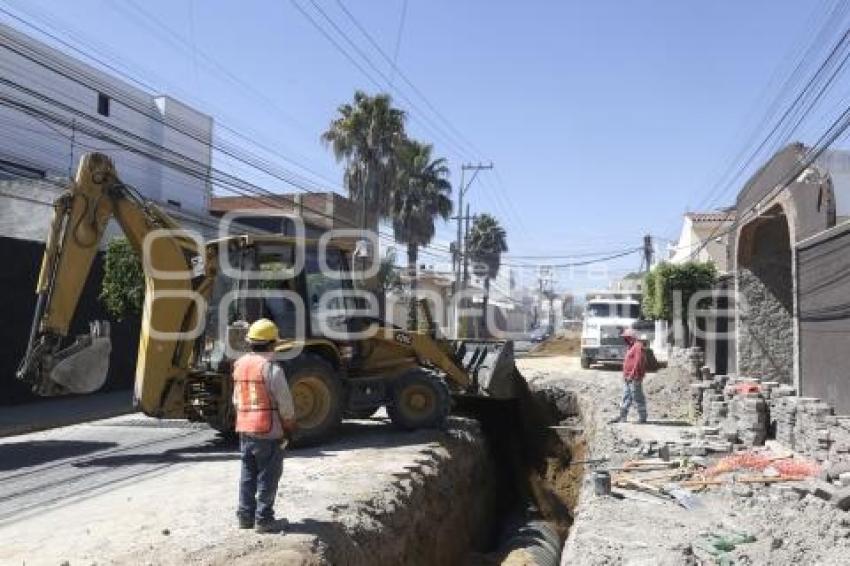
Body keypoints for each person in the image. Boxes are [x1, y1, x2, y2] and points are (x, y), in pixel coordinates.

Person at [233, 318, 297, 533]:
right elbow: (286, 406)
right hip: (268, 431)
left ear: (250, 342)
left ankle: (245, 517)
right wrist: (289, 428)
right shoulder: (272, 369)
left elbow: (236, 400)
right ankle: (264, 519)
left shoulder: (240, 365)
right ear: (272, 344)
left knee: (248, 475)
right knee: (268, 476)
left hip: (245, 429)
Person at [610, 328, 647, 424]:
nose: (625, 340)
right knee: (626, 396)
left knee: (637, 396)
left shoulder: (638, 346)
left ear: (632, 337)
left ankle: (642, 417)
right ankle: (623, 417)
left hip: (634, 377)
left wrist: (632, 374)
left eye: (627, 337)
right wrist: (626, 375)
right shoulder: (631, 347)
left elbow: (638, 362)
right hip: (628, 377)